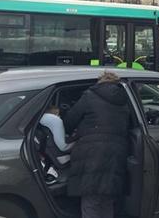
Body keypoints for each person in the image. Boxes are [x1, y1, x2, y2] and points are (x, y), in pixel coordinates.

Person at [64, 71, 131, 218]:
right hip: (117, 151)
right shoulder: (124, 99)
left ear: (99, 82)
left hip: (91, 152)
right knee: (107, 197)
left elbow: (70, 120)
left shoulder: (89, 96)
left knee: (91, 198)